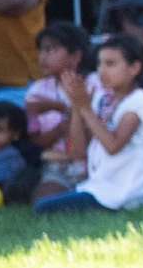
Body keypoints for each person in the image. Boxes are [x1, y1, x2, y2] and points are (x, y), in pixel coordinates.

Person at [33, 35, 143, 213]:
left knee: (44, 208)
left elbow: (113, 146)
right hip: (101, 188)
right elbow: (79, 151)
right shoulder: (105, 100)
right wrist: (77, 106)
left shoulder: (139, 102)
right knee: (43, 203)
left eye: (110, 64)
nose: (102, 70)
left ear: (134, 68)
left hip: (127, 194)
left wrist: (85, 108)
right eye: (100, 64)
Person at [26, 22, 100, 203]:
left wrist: (66, 110)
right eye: (41, 50)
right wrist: (60, 129)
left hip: (96, 162)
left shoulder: (96, 84)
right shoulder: (37, 91)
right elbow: (36, 140)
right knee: (44, 203)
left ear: (76, 56)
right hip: (57, 165)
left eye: (50, 50)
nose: (42, 57)